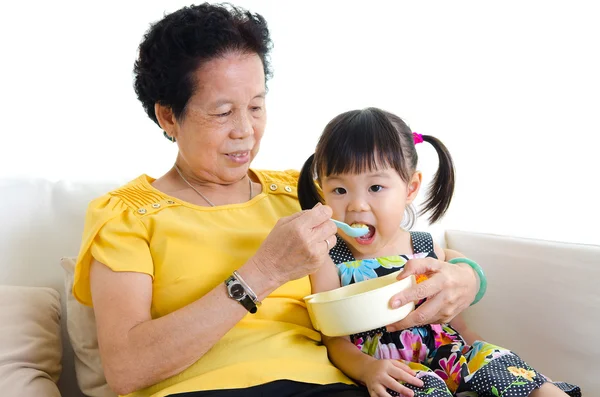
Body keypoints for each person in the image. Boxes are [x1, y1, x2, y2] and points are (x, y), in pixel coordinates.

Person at [73, 4, 483, 397]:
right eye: (222, 113)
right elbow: (126, 369)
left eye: (256, 106)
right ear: (167, 116)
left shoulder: (303, 194)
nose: (245, 131)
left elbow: (391, 244)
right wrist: (263, 272)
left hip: (326, 387)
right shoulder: (127, 214)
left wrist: (467, 278)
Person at [297, 107, 581, 397]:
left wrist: (482, 350)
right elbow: (334, 342)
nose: (357, 205)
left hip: (453, 355)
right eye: (340, 190)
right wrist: (367, 369)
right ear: (323, 190)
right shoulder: (330, 259)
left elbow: (456, 315)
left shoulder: (424, 247)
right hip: (395, 369)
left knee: (504, 367)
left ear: (410, 188)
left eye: (376, 187)